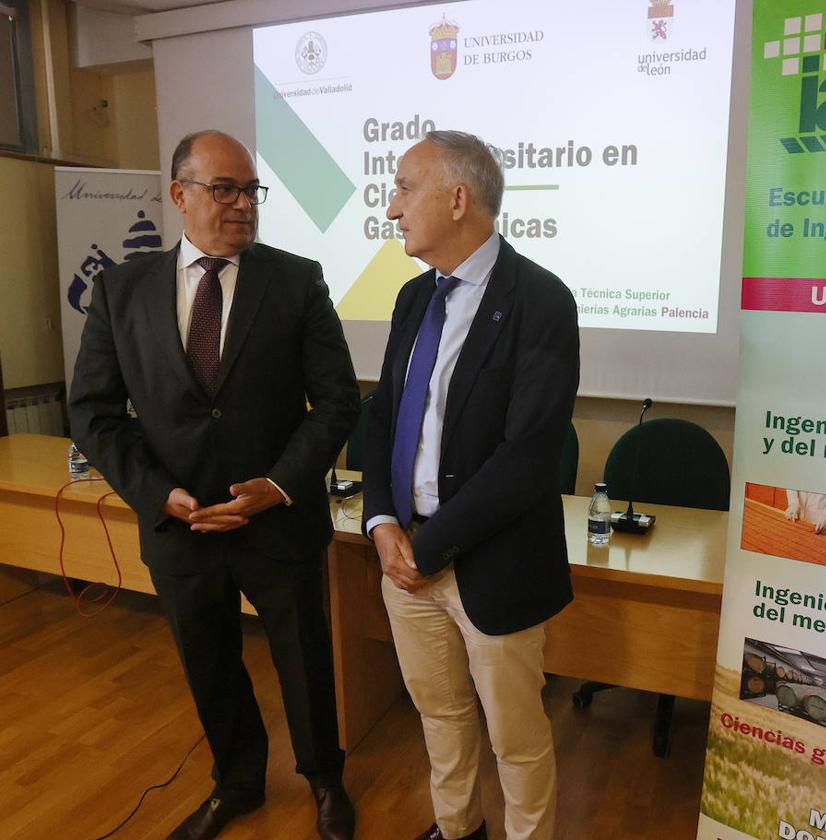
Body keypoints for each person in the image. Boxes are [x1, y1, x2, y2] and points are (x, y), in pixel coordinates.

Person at [69, 130, 360, 840]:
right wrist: (153, 491)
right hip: (181, 526)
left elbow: (339, 401)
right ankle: (237, 781)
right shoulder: (121, 290)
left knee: (304, 660)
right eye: (223, 189)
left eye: (250, 191)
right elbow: (93, 412)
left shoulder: (297, 280)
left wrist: (281, 485)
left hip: (277, 521)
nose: (242, 205)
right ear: (180, 195)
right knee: (209, 662)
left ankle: (325, 779)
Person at [361, 130, 579, 840]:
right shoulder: (409, 299)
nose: (392, 208)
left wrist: (434, 548)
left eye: (403, 188)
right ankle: (458, 830)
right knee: (441, 717)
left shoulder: (539, 299)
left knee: (515, 737)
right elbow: (383, 417)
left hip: (492, 563)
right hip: (405, 557)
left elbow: (529, 457)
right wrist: (381, 521)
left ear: (458, 199)